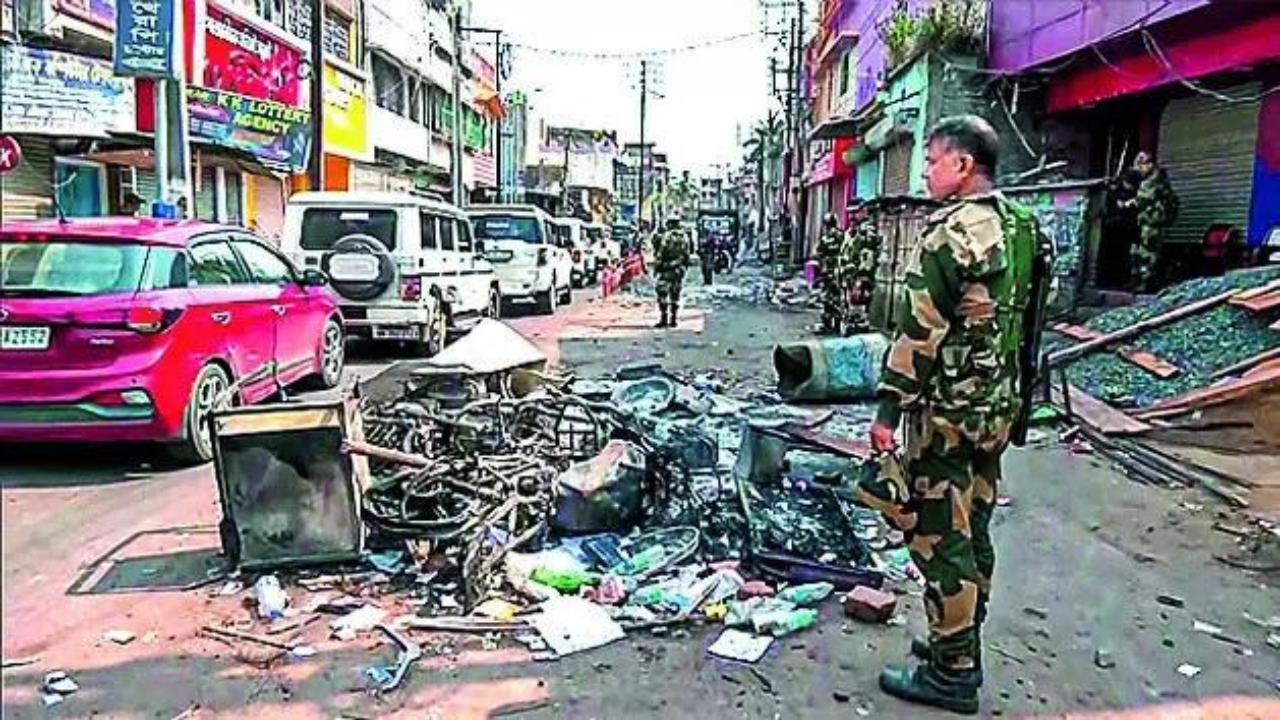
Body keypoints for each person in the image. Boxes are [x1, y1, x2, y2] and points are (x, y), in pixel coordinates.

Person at [861, 115, 1053, 715]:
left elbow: (920, 332)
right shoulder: (1024, 228)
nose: (925, 171)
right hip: (995, 411)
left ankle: (954, 672)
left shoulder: (951, 234)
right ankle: (956, 641)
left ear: (963, 165)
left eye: (932, 161)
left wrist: (887, 412)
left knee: (939, 538)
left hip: (946, 416)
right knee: (975, 529)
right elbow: (1028, 327)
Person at [1132, 153, 1179, 293]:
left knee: (1147, 253)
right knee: (1148, 252)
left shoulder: (1152, 181)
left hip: (1152, 222)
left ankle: (1146, 283)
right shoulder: (1161, 178)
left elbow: (1142, 200)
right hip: (1155, 221)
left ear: (1150, 165)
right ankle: (1147, 281)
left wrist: (1128, 203)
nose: (1140, 169)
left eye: (1142, 165)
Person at [838, 201, 879, 334]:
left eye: (855, 213)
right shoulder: (851, 231)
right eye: (850, 213)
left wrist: (861, 279)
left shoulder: (868, 231)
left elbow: (869, 256)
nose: (852, 216)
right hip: (848, 277)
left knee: (858, 314)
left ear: (864, 211)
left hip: (859, 279)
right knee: (848, 311)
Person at [652, 217, 690, 328]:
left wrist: (657, 267)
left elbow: (660, 253)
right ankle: (673, 319)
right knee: (675, 294)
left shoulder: (666, 237)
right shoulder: (684, 237)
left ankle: (664, 318)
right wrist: (684, 267)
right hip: (678, 269)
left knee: (662, 293)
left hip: (666, 268)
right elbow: (687, 254)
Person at [815, 213, 845, 333]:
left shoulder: (825, 237)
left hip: (828, 272)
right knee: (837, 297)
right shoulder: (842, 235)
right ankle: (837, 324)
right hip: (839, 271)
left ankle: (827, 324)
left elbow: (818, 253)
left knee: (827, 298)